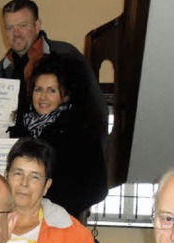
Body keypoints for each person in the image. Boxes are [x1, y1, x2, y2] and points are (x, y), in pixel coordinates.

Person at [0, 0, 108, 146]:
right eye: (9, 28)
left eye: (23, 26)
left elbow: (97, 111)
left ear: (37, 25)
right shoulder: (1, 70)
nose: (16, 34)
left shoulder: (66, 56)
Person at [9, 55, 107, 218]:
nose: (43, 97)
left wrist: (56, 208)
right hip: (19, 219)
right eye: (38, 89)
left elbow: (97, 188)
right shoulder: (18, 129)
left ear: (65, 96)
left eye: (51, 90)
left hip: (60, 220)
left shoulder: (81, 132)